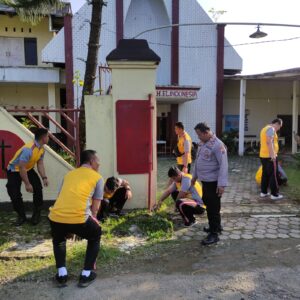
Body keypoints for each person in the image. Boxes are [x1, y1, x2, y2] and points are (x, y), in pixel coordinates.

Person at [48, 150, 104, 288]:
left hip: (56, 217)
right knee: (95, 235)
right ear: (91, 161)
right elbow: (95, 207)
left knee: (59, 240)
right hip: (80, 218)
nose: (99, 163)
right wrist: (94, 220)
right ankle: (86, 274)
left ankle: (62, 275)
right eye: (97, 160)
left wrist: (68, 225)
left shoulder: (69, 174)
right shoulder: (97, 177)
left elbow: (61, 196)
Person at [192, 122, 228, 245]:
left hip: (214, 183)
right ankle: (216, 226)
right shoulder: (204, 143)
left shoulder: (218, 145)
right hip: (206, 182)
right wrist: (194, 177)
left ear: (206, 133)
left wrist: (221, 185)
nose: (198, 137)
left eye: (199, 134)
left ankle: (214, 234)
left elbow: (224, 166)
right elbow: (198, 161)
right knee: (209, 204)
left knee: (213, 208)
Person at [6, 128, 49, 226]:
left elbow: (40, 163)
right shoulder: (28, 149)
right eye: (47, 136)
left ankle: (36, 214)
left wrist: (44, 177)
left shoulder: (41, 148)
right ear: (43, 138)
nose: (48, 138)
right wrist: (27, 184)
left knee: (38, 188)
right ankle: (21, 216)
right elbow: (21, 167)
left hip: (28, 168)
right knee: (14, 194)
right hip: (14, 170)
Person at [259, 118, 283, 200]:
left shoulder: (264, 128)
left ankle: (263, 192)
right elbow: (269, 142)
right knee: (274, 175)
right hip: (270, 156)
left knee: (265, 174)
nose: (279, 128)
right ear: (276, 124)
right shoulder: (271, 129)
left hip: (263, 155)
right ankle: (274, 194)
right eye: (280, 126)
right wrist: (273, 155)